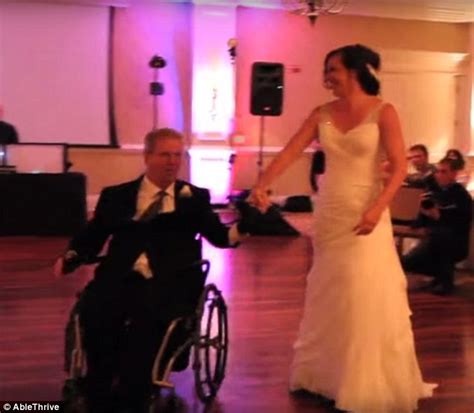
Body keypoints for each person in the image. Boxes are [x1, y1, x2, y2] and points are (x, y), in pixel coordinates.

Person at [249, 44, 436, 413]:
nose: (327, 76)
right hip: (331, 212)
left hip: (367, 212)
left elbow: (399, 167)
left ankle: (363, 382)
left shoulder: (384, 111)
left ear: (354, 70)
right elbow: (290, 150)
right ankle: (326, 376)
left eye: (333, 69)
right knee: (330, 291)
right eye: (326, 70)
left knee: (362, 290)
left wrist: (376, 209)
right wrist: (263, 181)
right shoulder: (322, 113)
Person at [54, 128, 250, 412]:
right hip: (120, 276)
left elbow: (221, 238)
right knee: (95, 309)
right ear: (147, 156)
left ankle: (135, 390)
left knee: (150, 314)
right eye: (164, 155)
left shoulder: (193, 198)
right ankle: (99, 381)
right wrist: (70, 257)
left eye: (177, 155)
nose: (172, 162)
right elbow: (92, 237)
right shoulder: (117, 196)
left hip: (171, 280)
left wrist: (248, 224)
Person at [401, 157, 472, 295]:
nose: (438, 175)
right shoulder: (434, 193)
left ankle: (445, 282)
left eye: (443, 172)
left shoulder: (461, 195)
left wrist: (438, 216)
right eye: (438, 171)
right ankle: (440, 277)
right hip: (434, 240)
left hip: (454, 242)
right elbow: (425, 217)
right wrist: (421, 212)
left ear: (454, 174)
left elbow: (460, 221)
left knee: (442, 241)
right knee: (407, 262)